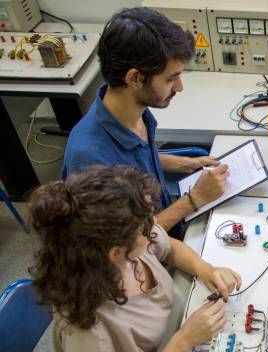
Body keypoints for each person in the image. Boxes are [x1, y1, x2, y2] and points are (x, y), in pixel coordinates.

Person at [29, 166, 242, 352]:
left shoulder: (134, 246)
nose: (154, 224)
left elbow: (170, 247)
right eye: (145, 224)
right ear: (116, 252)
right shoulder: (86, 326)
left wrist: (206, 269)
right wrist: (184, 340)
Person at [62, 7, 228, 234]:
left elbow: (136, 159)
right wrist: (194, 198)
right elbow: (128, 241)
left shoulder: (133, 112)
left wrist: (186, 164)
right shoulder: (90, 160)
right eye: (171, 79)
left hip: (164, 230)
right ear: (135, 78)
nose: (179, 87)